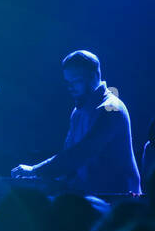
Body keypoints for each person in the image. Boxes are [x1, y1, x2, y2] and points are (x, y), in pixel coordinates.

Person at [11, 50, 141, 196]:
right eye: (68, 82)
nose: (70, 87)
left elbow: (81, 153)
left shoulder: (111, 108)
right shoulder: (78, 112)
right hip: (93, 199)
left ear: (94, 77)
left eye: (76, 81)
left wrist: (34, 171)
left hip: (119, 201)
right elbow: (69, 155)